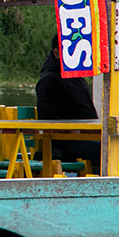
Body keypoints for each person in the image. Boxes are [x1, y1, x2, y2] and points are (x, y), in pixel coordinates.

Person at [34, 35, 101, 172]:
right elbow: (47, 120)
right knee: (112, 151)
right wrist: (74, 131)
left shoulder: (77, 77)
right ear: (57, 53)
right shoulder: (50, 80)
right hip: (67, 143)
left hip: (88, 137)